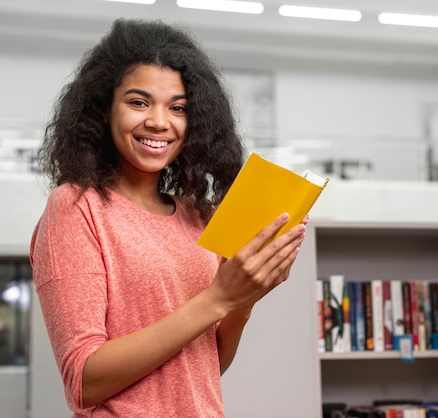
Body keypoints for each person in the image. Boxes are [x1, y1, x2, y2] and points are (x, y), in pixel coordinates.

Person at [29, 18, 307, 417]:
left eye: (177, 108)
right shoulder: (75, 207)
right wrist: (219, 297)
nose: (160, 121)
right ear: (103, 111)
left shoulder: (197, 216)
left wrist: (243, 301)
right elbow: (84, 380)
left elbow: (206, 365)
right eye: (139, 102)